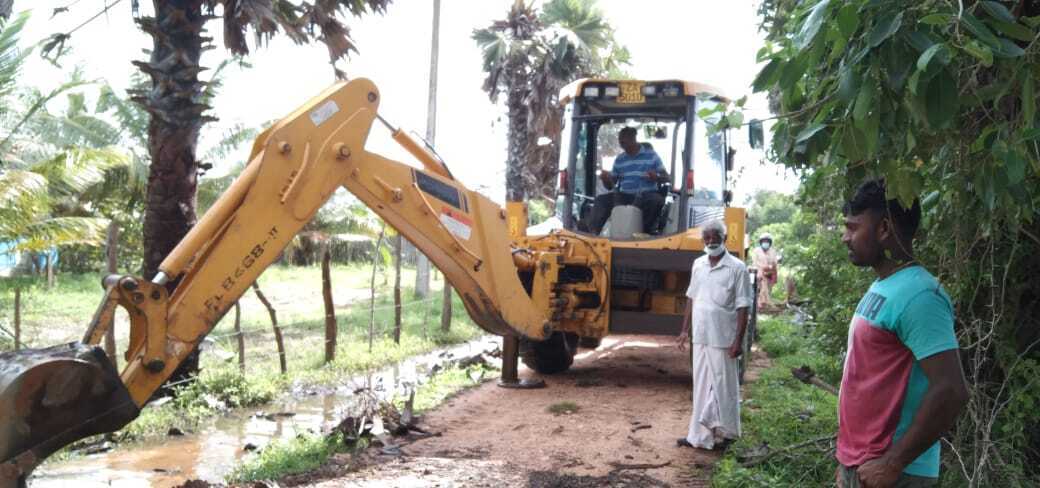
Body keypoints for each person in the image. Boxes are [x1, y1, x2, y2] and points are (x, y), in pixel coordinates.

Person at [836, 179, 969, 487]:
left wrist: (892, 463)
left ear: (884, 229)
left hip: (896, 474)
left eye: (853, 228)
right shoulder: (885, 286)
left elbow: (952, 389)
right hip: (862, 465)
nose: (845, 237)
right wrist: (846, 462)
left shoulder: (921, 295)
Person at [676, 220, 751, 450]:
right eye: (707, 237)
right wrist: (684, 330)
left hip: (724, 338)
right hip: (700, 335)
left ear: (724, 238)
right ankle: (699, 437)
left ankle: (729, 436)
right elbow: (691, 298)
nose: (710, 241)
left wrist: (738, 341)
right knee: (700, 386)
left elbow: (743, 307)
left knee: (725, 388)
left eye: (715, 237)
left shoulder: (737, 268)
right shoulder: (698, 264)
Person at [588, 127, 669, 234]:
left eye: (623, 142)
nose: (621, 145)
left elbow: (666, 177)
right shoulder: (620, 159)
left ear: (633, 139)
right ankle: (592, 232)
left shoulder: (652, 156)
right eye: (620, 142)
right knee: (601, 200)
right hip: (624, 195)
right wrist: (606, 179)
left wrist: (656, 177)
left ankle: (644, 233)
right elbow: (610, 186)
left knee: (655, 200)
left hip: (646, 194)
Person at [752, 233, 779, 306]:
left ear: (770, 243)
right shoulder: (756, 251)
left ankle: (766, 304)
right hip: (759, 274)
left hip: (769, 274)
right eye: (764, 241)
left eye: (767, 241)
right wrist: (762, 270)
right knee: (760, 290)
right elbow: (755, 263)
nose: (765, 243)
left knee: (768, 290)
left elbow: (775, 264)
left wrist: (774, 275)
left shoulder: (773, 251)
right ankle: (760, 304)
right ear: (761, 242)